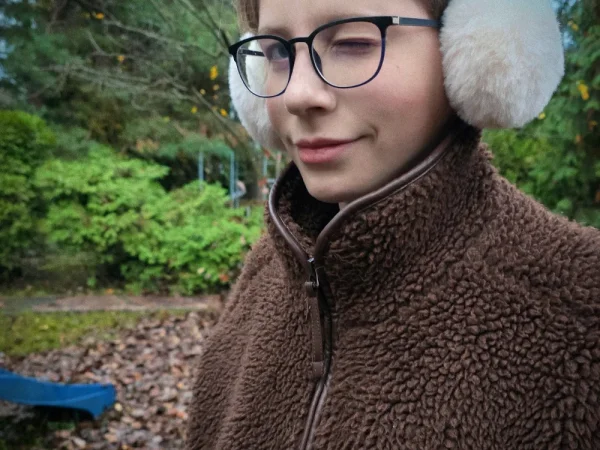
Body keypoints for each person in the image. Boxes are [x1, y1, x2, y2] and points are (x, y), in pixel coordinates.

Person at [187, 0, 600, 448]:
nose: (297, 95)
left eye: (352, 43)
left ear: (474, 51)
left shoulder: (582, 318)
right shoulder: (260, 282)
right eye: (277, 52)